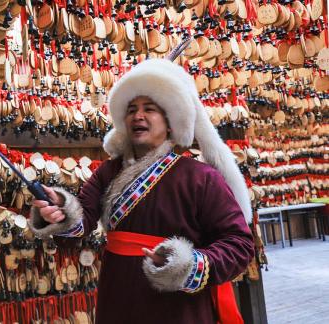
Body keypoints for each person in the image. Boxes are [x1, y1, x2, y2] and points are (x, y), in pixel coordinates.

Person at [29, 59, 255, 324]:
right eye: (132, 109)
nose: (138, 116)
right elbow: (82, 219)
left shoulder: (201, 178)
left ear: (170, 122)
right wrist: (59, 210)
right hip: (119, 299)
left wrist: (187, 265)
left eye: (149, 109)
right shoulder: (107, 173)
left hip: (179, 309)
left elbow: (239, 244)